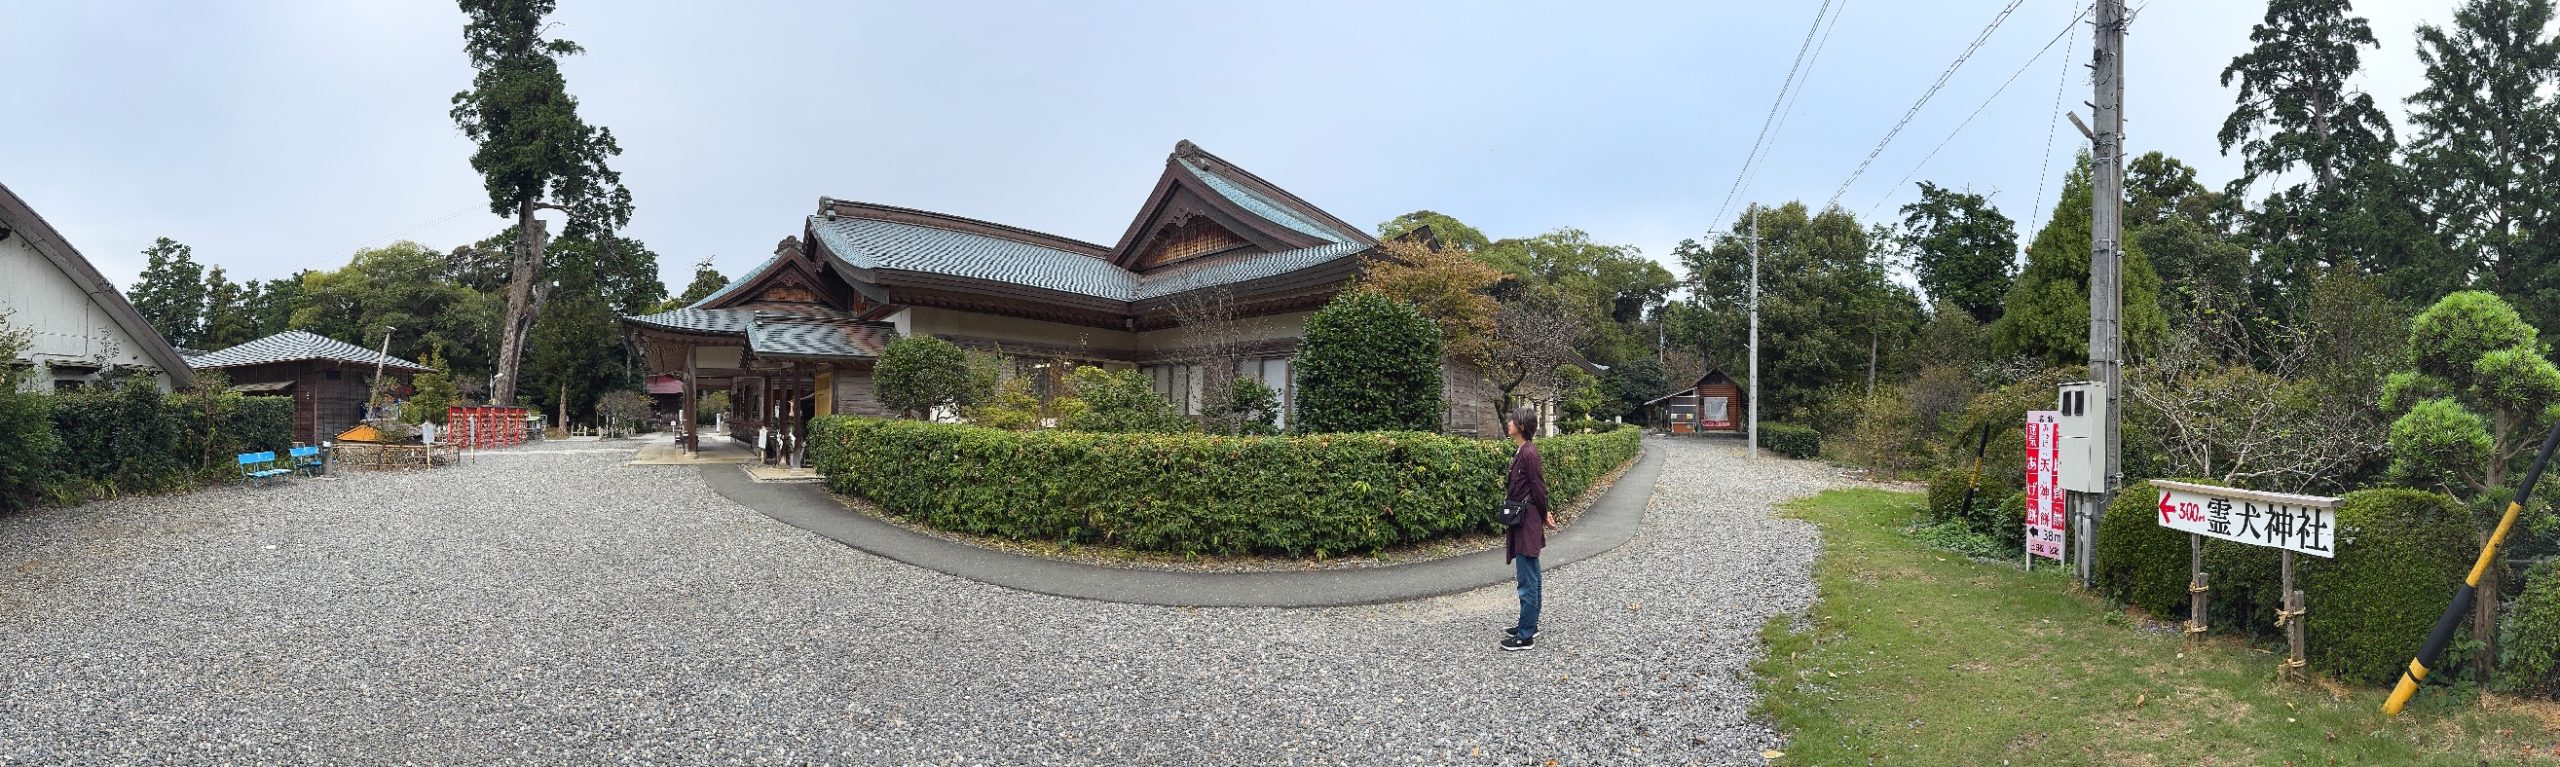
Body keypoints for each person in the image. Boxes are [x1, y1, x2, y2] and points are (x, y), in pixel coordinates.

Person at [1501, 405, 1556, 651]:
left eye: (1512, 421)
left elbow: (1539, 488)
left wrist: (1544, 514)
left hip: (1527, 521)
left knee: (1527, 579)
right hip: (1524, 519)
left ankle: (1525, 636)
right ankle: (1529, 625)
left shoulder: (1529, 453)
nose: (1509, 424)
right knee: (1531, 574)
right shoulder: (1522, 450)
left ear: (1521, 426)